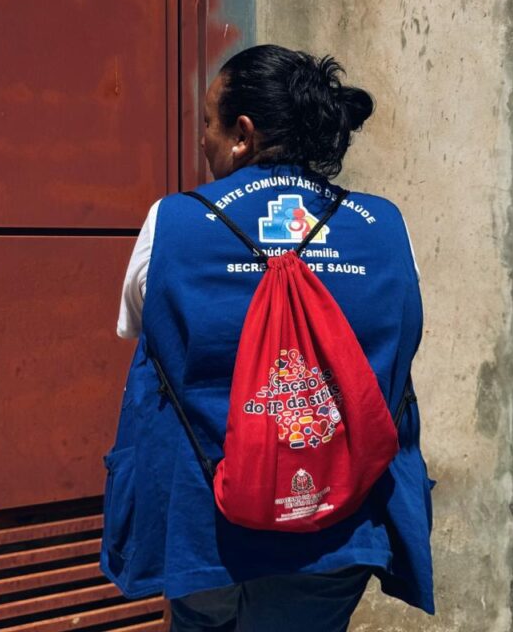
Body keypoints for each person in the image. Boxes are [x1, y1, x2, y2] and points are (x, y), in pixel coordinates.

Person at [101, 44, 435, 632]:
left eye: (209, 122)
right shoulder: (387, 226)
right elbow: (401, 341)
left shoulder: (172, 223)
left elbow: (144, 334)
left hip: (208, 527)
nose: (202, 139)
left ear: (242, 134)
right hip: (339, 525)